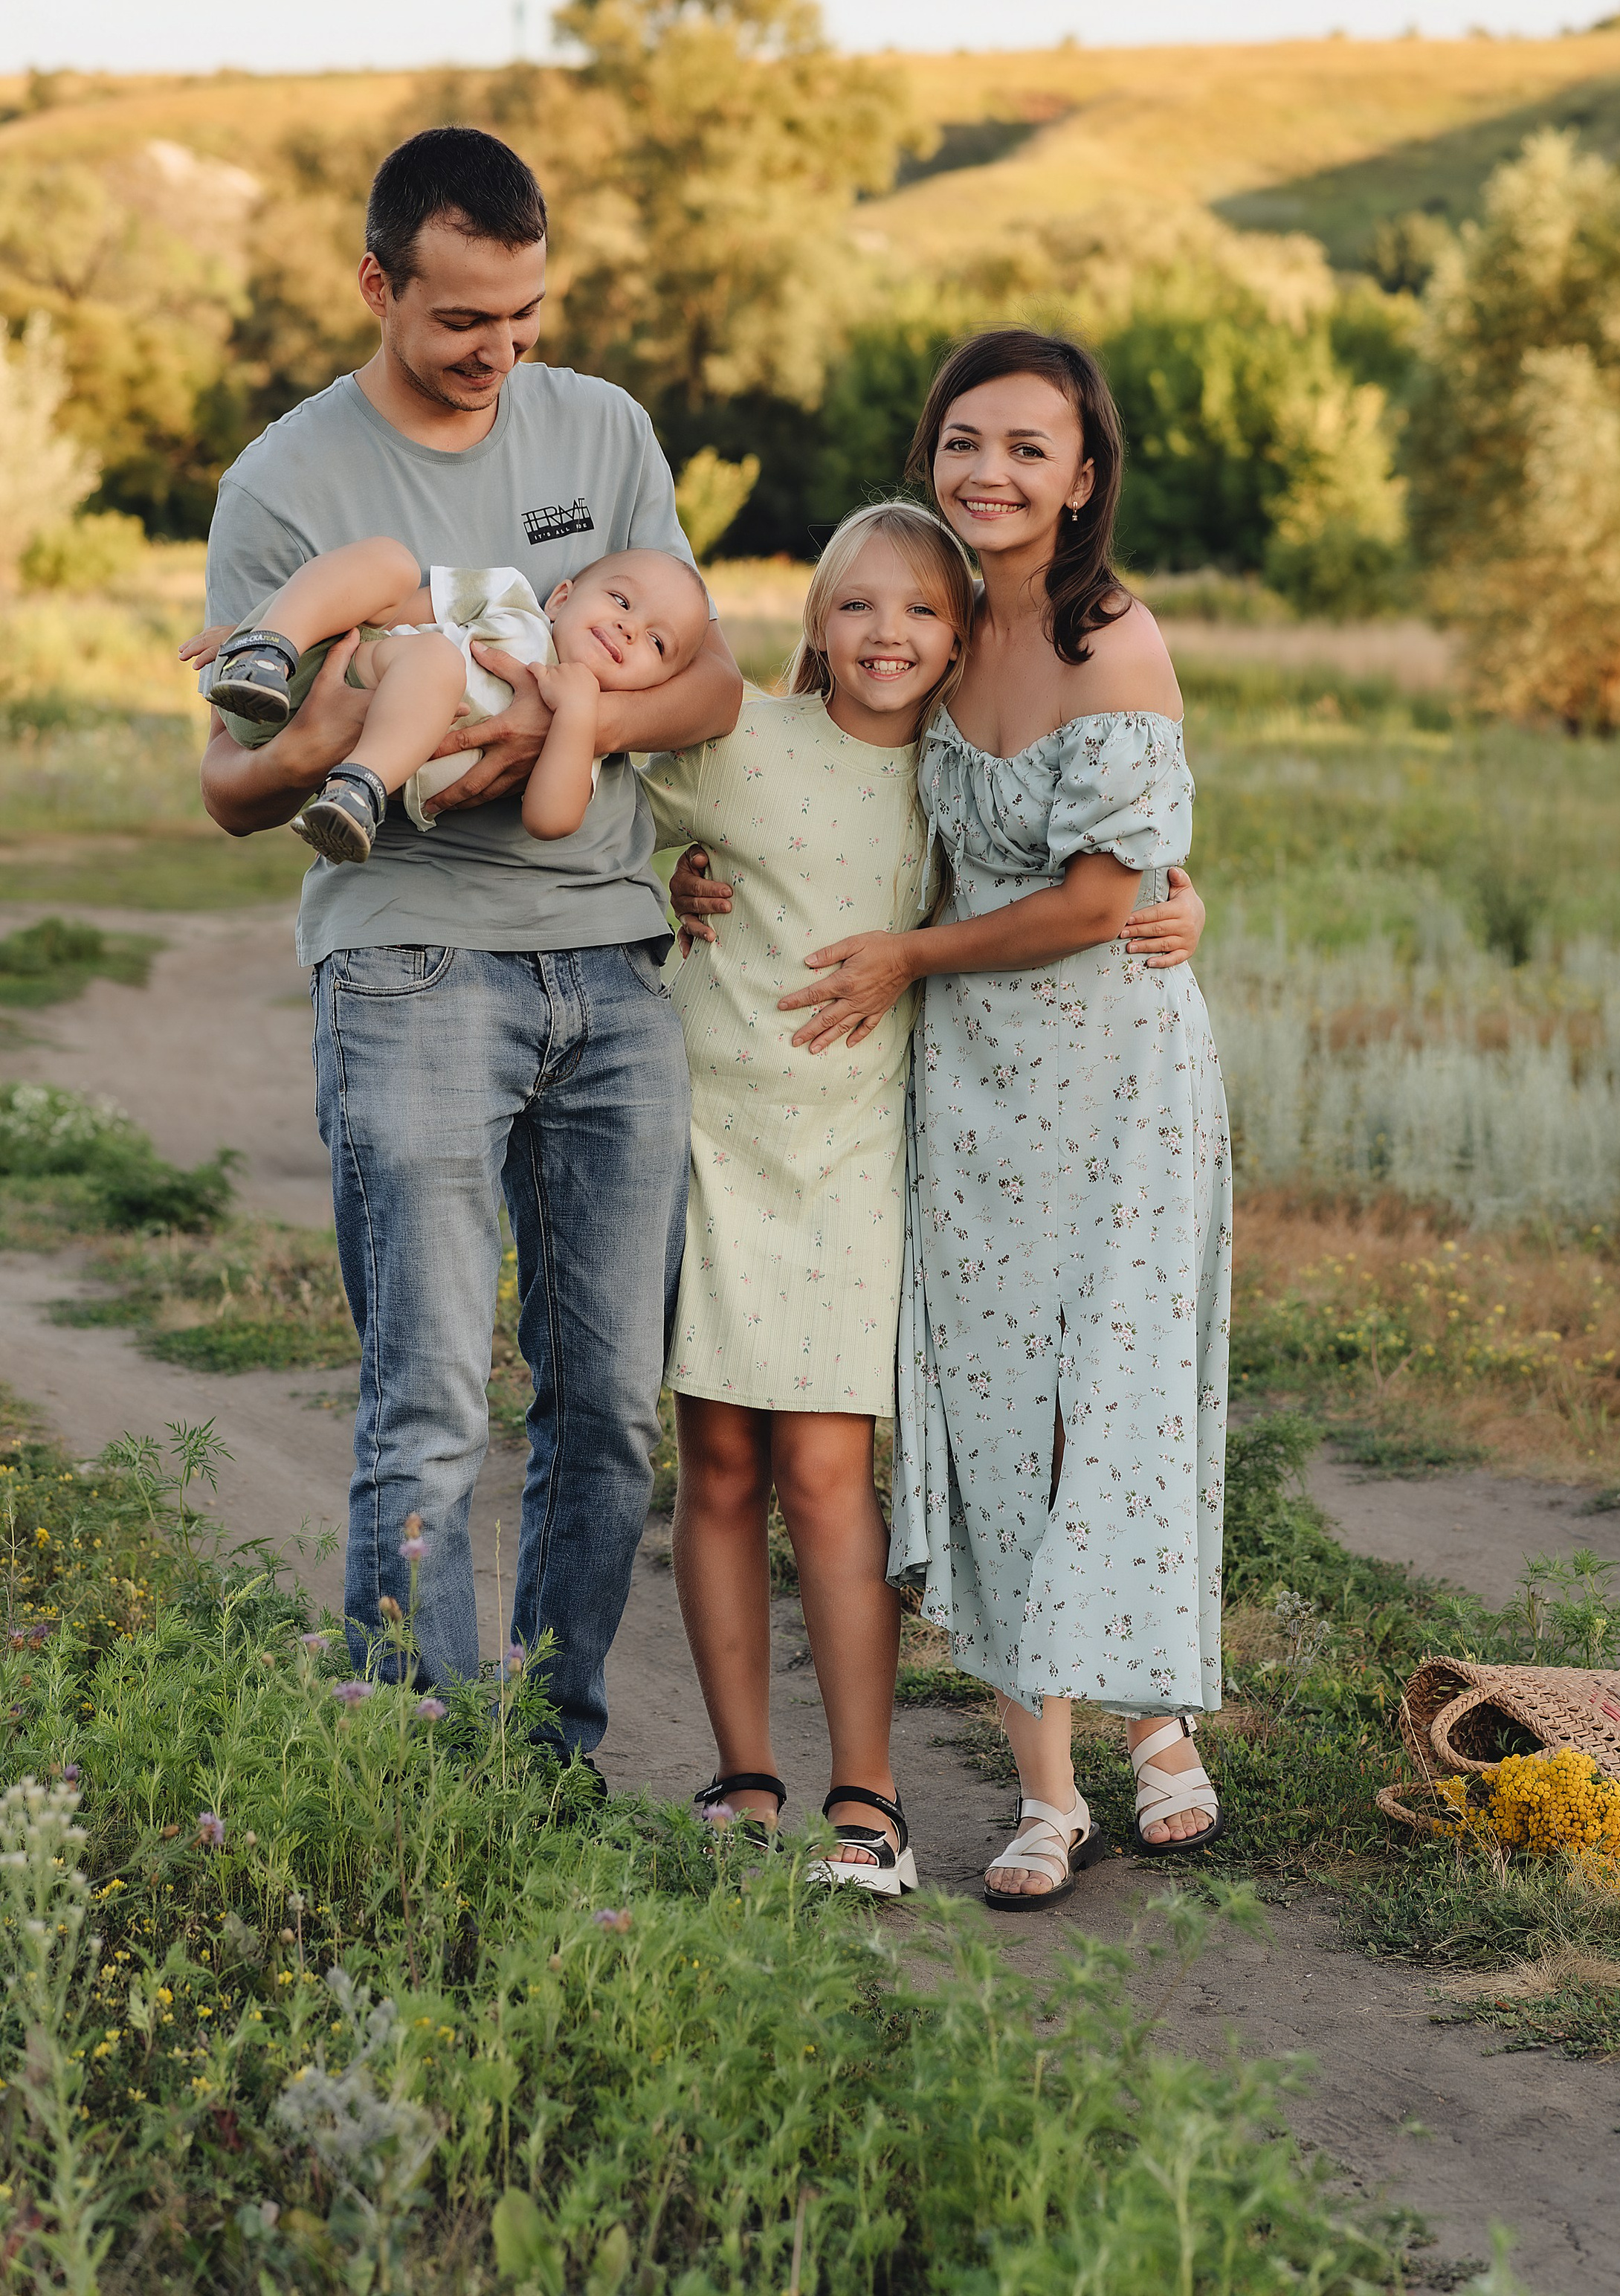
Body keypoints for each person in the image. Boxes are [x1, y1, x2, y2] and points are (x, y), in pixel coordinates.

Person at [193, 126, 743, 1775]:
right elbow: (227, 786)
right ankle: (416, 1770)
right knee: (426, 1402)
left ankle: (546, 1756)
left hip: (611, 961)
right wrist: (350, 743)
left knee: (606, 1412)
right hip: (410, 960)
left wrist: (552, 725)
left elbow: (709, 686)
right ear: (376, 285)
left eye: (524, 314)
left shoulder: (604, 428)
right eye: (460, 321)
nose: (499, 354)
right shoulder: (286, 482)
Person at [654, 501, 1207, 1894]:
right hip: (795, 1136)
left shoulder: (978, 746)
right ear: (816, 626)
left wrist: (1178, 899)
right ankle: (774, 1777)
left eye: (916, 611)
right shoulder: (785, 740)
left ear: (954, 640)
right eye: (856, 607)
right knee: (755, 1459)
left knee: (885, 1458)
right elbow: (632, 799)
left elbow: (1086, 863)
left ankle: (932, 1781)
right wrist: (669, 879)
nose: (886, 634)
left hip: (902, 1142)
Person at [775, 329, 1230, 1909]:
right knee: (985, 1423)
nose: (989, 470)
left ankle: (1154, 1709)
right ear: (930, 453)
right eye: (964, 439)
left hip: (1115, 1083)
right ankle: (1050, 1792)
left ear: (1082, 472)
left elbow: (1107, 893)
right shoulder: (928, 619)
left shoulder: (1116, 643)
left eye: (1027, 446)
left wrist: (920, 950)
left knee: (1102, 1399)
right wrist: (705, 869)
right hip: (965, 1085)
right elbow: (802, 773)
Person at [188, 540, 709, 858]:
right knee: (392, 566)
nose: (628, 627)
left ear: (654, 683)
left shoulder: (580, 728)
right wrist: (267, 625)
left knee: (437, 661)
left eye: (657, 643)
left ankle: (353, 796)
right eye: (620, 600)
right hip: (311, 672)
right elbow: (378, 612)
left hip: (341, 758)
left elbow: (550, 821)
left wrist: (577, 714)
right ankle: (268, 646)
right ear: (563, 597)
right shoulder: (511, 600)